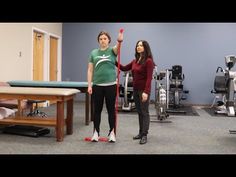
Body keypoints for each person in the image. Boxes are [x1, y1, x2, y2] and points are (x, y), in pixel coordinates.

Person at [87, 30, 123, 142]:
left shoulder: (112, 50)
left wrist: (119, 41)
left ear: (109, 40)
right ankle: (96, 133)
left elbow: (118, 48)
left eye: (105, 38)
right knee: (96, 110)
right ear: (98, 41)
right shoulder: (93, 53)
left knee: (110, 110)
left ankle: (112, 132)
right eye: (101, 39)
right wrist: (89, 85)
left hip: (111, 85)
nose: (103, 40)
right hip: (97, 85)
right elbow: (90, 70)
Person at [118, 40, 154, 144]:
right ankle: (140, 132)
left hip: (143, 91)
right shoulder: (135, 61)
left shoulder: (148, 61)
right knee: (139, 112)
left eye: (141, 45)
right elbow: (124, 68)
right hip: (135, 90)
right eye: (137, 45)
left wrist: (146, 92)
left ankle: (144, 135)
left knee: (144, 112)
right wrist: (114, 61)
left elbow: (149, 78)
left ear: (145, 48)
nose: (138, 47)